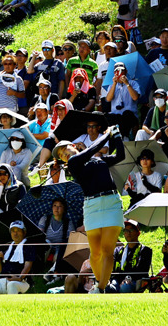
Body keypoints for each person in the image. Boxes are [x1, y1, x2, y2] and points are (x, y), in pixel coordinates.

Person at [65, 125, 124, 293]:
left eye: (65, 149)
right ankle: (100, 282)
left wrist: (117, 135)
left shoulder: (99, 160)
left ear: (74, 147)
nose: (65, 154)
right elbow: (94, 148)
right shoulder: (74, 163)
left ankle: (101, 288)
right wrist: (107, 134)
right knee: (95, 253)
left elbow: (121, 155)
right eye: (62, 155)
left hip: (112, 203)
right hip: (91, 206)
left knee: (107, 251)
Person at [107, 219, 152, 293]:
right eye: (125, 231)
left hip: (134, 282)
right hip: (117, 281)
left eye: (131, 230)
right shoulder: (118, 250)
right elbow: (114, 271)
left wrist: (128, 279)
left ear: (138, 233)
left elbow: (143, 271)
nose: (128, 233)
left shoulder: (145, 250)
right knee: (108, 288)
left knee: (125, 287)